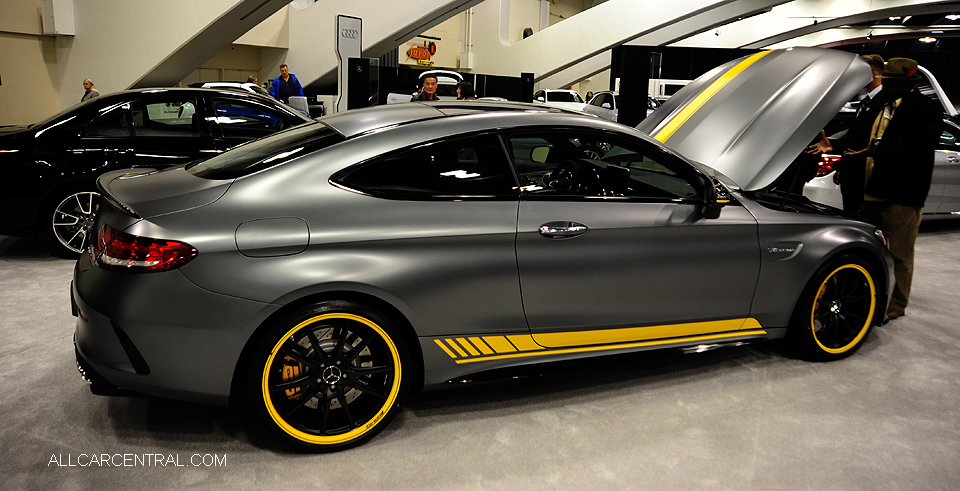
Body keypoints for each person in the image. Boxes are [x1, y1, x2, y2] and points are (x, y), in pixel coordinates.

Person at [828, 58, 940, 320]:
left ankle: (897, 303)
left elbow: (917, 151)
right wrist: (833, 147)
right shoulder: (879, 102)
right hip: (867, 189)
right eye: (887, 81)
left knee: (899, 252)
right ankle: (869, 293)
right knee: (866, 248)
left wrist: (877, 152)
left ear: (908, 83)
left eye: (894, 83)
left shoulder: (925, 108)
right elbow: (856, 135)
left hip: (900, 193)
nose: (888, 86)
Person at [808, 55, 886, 214]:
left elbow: (863, 137)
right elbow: (855, 135)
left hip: (864, 175)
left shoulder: (883, 101)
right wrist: (842, 168)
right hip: (852, 173)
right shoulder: (868, 101)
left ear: (871, 72)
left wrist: (834, 145)